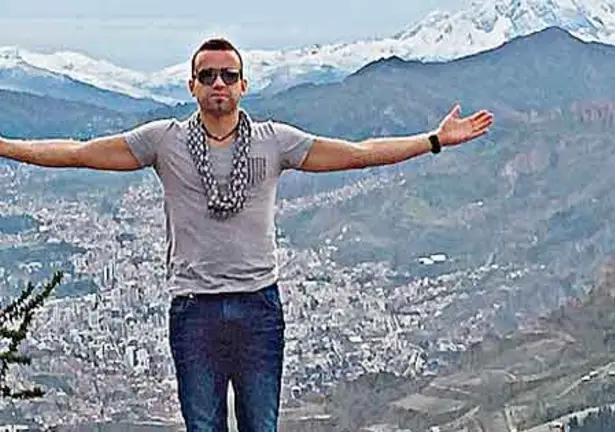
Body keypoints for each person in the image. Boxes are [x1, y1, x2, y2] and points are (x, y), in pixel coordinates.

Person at [0, 37, 494, 431]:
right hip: (194, 309)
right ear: (192, 86)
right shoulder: (164, 141)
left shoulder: (273, 141)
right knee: (203, 425)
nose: (218, 83)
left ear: (244, 85)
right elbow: (79, 152)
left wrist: (434, 140)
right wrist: (5, 146)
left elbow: (358, 153)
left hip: (259, 307)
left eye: (228, 75)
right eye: (208, 75)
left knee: (261, 425)